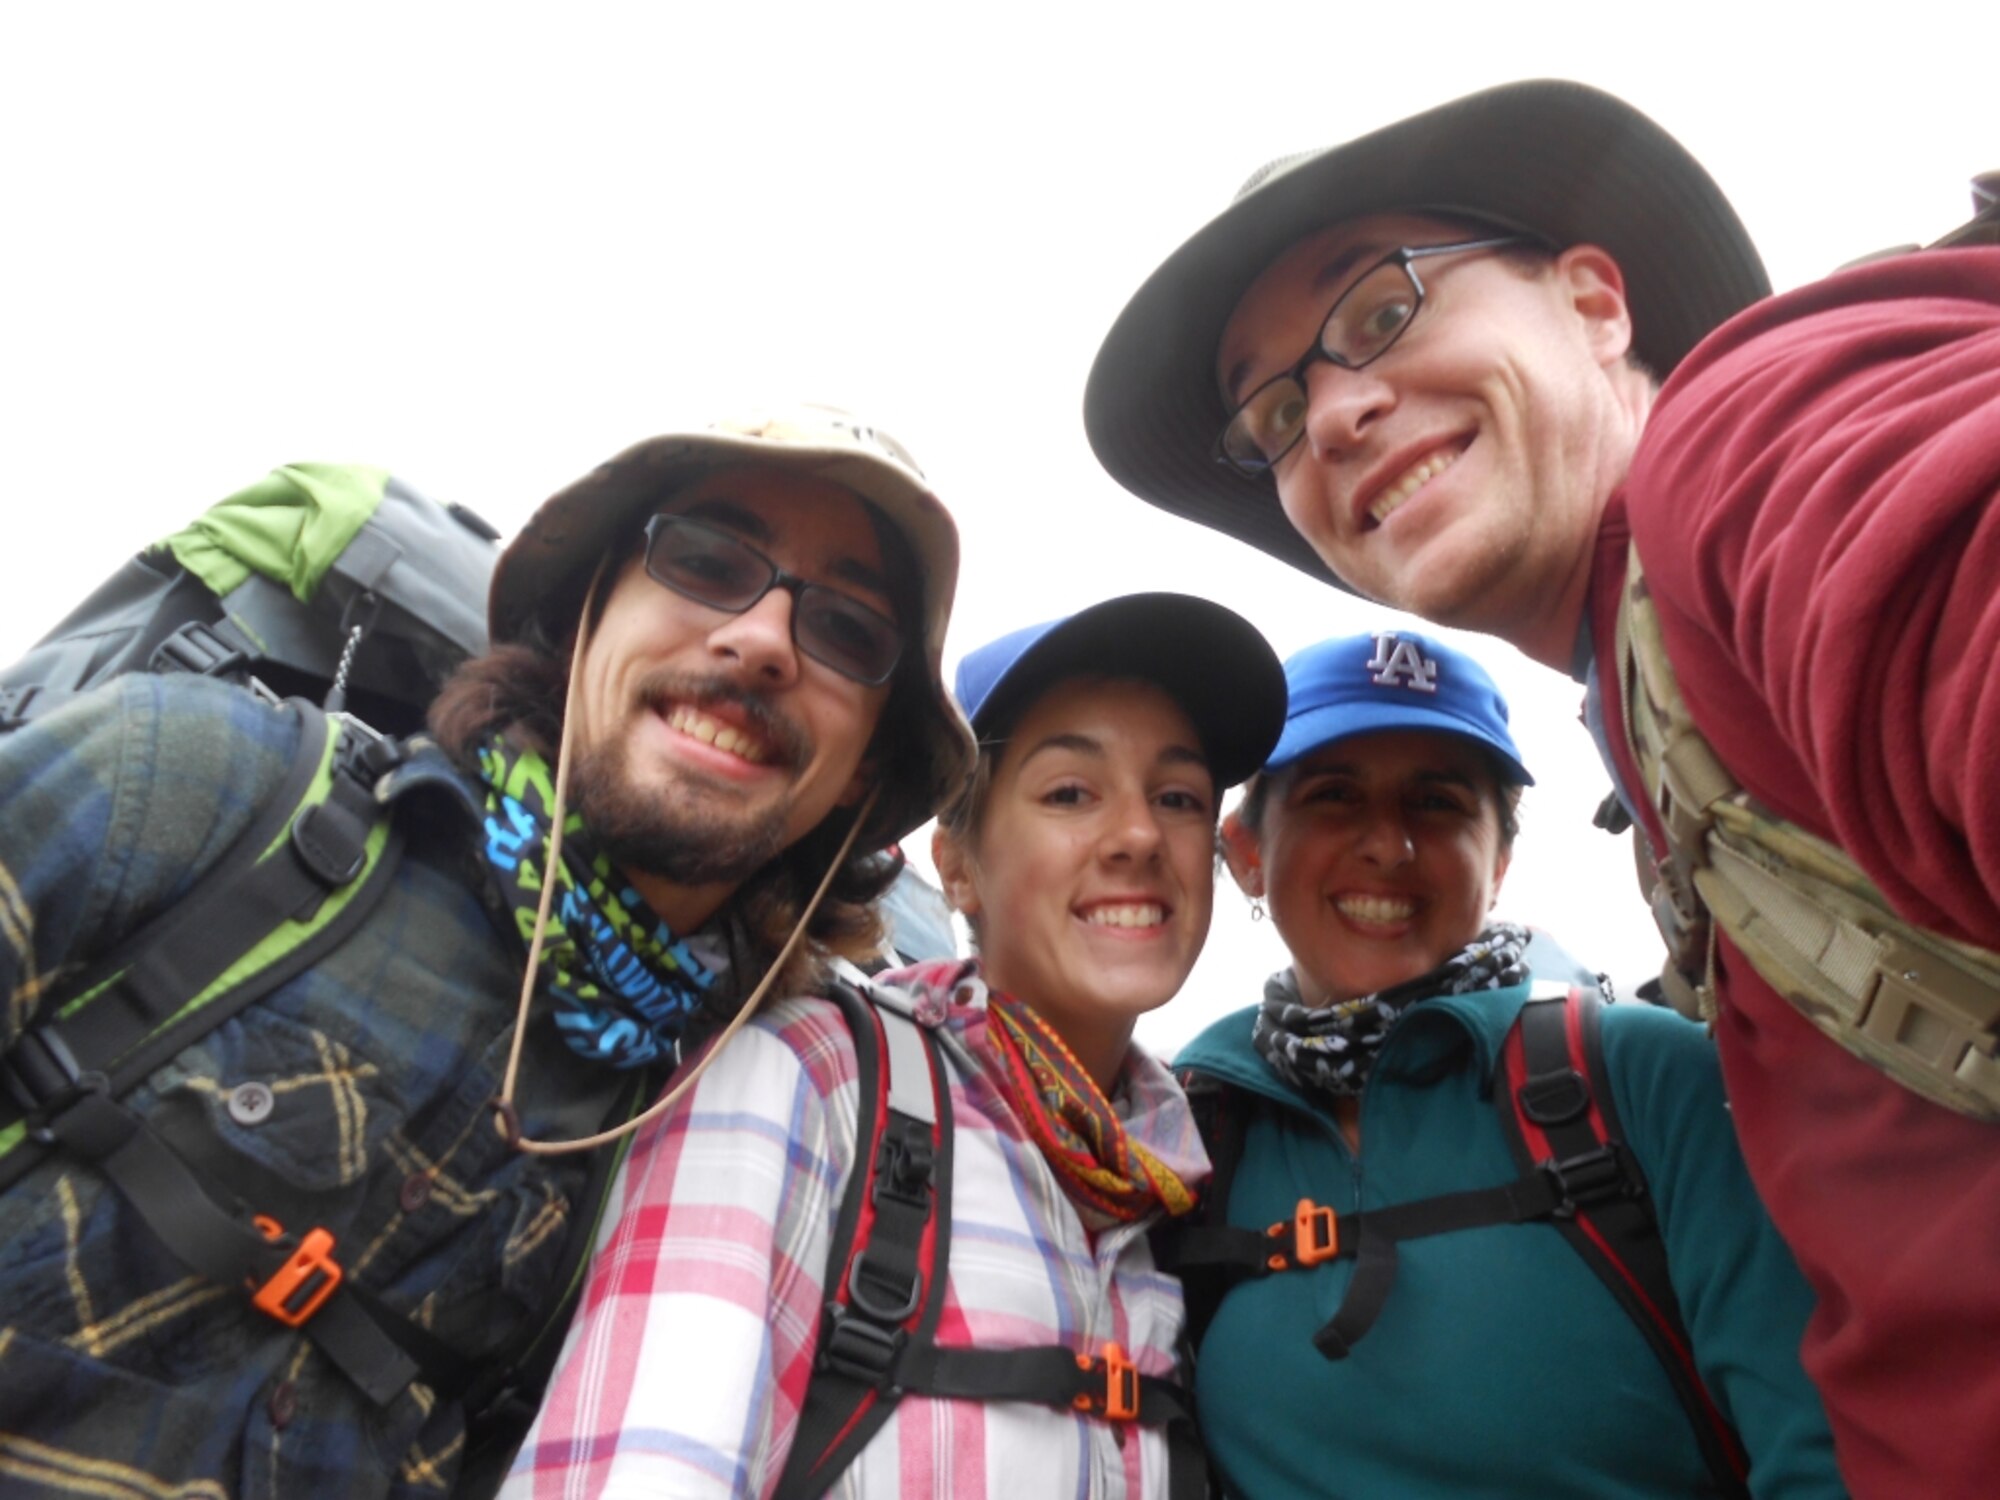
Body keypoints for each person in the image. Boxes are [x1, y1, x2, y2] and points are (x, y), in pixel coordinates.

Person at [1084, 79, 2000, 1494]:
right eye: (1272, 412)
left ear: (1593, 302)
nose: (1329, 416)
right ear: (1245, 850)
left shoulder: (1750, 447)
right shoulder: (1176, 1133)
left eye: (1382, 311)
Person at [0, 406, 974, 1497]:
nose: (761, 640)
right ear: (583, 616)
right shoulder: (193, 783)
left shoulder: (716, 1133)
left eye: (847, 631)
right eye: (705, 562)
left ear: (857, 778)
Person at [504, 592, 1287, 1499]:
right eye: (1070, 792)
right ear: (955, 864)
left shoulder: (1170, 1189)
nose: (1142, 836)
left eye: (1179, 798)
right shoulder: (816, 1076)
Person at [1170, 627, 1841, 1498]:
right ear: (1247, 851)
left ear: (1502, 861)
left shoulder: (1643, 1078)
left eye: (1438, 802)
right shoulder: (1190, 1132)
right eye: (1334, 796)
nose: (1389, 846)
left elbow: (1823, 1450)